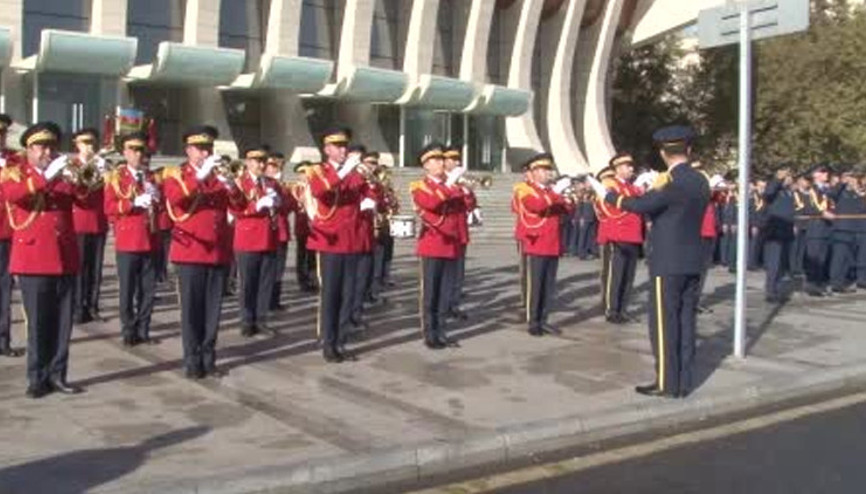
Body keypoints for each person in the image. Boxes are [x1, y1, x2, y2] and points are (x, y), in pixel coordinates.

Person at [587, 125, 710, 399]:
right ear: (689, 150)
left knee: (664, 325)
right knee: (686, 322)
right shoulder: (700, 181)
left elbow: (638, 206)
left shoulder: (672, 183)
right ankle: (684, 380)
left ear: (664, 153)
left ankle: (667, 383)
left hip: (667, 262)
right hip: (694, 260)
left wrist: (604, 193)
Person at [3, 122, 84, 397]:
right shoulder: (14, 174)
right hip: (34, 258)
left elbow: (84, 200)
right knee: (38, 322)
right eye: (40, 147)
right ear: (28, 150)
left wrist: (80, 176)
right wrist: (44, 177)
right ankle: (37, 377)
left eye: (50, 147)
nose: (47, 152)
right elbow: (13, 196)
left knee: (62, 323)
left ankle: (58, 374)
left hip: (64, 256)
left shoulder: (63, 175)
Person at [163, 125, 244, 379]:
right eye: (199, 149)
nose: (204, 153)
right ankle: (192, 360)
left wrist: (231, 185)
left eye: (208, 149)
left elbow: (241, 206)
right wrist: (199, 177)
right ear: (188, 150)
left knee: (213, 310)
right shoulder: (175, 175)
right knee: (191, 310)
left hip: (217, 253)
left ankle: (209, 358)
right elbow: (177, 199)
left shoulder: (217, 177)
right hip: (190, 253)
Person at [304, 127, 368, 362]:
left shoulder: (354, 172)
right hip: (329, 242)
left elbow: (371, 193)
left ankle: (341, 339)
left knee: (348, 294)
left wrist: (370, 185)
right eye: (337, 147)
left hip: (350, 241)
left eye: (344, 146)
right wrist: (344, 172)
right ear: (327, 149)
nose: (342, 150)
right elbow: (321, 190)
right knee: (331, 294)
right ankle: (328, 341)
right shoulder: (317, 171)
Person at [104, 133, 161, 346]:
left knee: (148, 290)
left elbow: (161, 207)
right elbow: (108, 208)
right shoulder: (116, 177)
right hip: (128, 241)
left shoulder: (151, 177)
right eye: (133, 150)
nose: (138, 154)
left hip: (150, 239)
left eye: (141, 151)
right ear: (125, 152)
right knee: (127, 290)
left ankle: (144, 329)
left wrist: (157, 199)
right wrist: (132, 203)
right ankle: (129, 329)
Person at [411, 143, 465, 349]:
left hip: (450, 243)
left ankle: (441, 331)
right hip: (432, 244)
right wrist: (450, 186)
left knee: (444, 292)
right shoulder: (419, 186)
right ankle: (429, 333)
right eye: (436, 160)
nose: (441, 163)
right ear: (425, 165)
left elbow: (464, 205)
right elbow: (431, 203)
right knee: (430, 292)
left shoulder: (450, 184)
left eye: (442, 159)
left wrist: (462, 188)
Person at [515, 153, 574, 336]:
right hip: (536, 241)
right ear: (532, 172)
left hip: (552, 242)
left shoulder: (550, 191)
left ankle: (543, 319)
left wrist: (568, 198)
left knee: (548, 285)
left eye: (548, 169)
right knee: (536, 284)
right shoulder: (524, 189)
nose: (548, 173)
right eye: (543, 170)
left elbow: (566, 208)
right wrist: (556, 194)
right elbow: (536, 206)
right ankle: (533, 321)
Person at [233, 146, 281, 337]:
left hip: (268, 238)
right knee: (248, 283)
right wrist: (256, 206)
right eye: (256, 161)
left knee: (265, 282)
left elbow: (283, 205)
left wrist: (278, 202)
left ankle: (261, 319)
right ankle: (246, 320)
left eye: (263, 161)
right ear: (248, 163)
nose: (261, 165)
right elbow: (235, 208)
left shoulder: (271, 183)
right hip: (248, 239)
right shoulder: (239, 183)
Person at [596, 153, 644, 324]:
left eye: (631, 166)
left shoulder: (631, 187)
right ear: (617, 169)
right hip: (616, 234)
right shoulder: (610, 185)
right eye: (627, 166)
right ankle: (611, 309)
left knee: (628, 275)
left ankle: (623, 309)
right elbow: (607, 208)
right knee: (615, 275)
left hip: (633, 236)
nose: (631, 169)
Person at [69, 128, 109, 324]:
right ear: (77, 145)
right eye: (85, 143)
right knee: (80, 267)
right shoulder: (72, 165)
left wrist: (105, 173)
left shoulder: (102, 165)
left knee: (96, 268)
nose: (89, 147)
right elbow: (76, 195)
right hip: (79, 223)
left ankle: (92, 306)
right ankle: (78, 308)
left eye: (92, 143)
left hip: (99, 222)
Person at [0, 114, 24, 358]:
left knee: (5, 288)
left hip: (8, 231)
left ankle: (3, 340)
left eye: (2, 134)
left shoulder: (15, 161)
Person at [443, 146, 475, 320]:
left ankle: (454, 304)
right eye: (453, 160)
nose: (457, 163)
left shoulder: (461, 181)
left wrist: (467, 191)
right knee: (446, 273)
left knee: (458, 272)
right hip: (447, 232)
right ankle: (443, 306)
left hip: (460, 231)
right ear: (445, 162)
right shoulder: (441, 181)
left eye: (457, 160)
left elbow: (469, 205)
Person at [760, 164, 796, 303]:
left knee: (782, 264)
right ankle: (770, 291)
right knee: (773, 263)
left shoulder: (789, 192)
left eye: (790, 176)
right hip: (774, 232)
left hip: (786, 230)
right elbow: (767, 194)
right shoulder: (774, 188)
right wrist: (777, 179)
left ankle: (778, 290)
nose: (789, 178)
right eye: (787, 176)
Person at [827, 166, 865, 293]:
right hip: (842, 229)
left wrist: (860, 194)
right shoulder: (840, 192)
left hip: (855, 230)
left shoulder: (857, 194)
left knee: (850, 258)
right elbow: (831, 194)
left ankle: (846, 282)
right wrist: (842, 183)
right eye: (851, 178)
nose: (853, 181)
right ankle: (835, 282)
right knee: (839, 257)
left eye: (855, 178)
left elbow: (861, 210)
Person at [265, 152, 293, 311]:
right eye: (273, 165)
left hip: (281, 231)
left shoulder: (283, 186)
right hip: (266, 233)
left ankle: (274, 301)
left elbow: (288, 207)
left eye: (279, 165)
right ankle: (266, 301)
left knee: (278, 269)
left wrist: (281, 191)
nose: (276, 168)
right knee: (268, 270)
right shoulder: (262, 184)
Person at [801, 163, 835, 296]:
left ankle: (820, 283)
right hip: (815, 227)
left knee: (823, 258)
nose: (826, 174)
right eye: (823, 172)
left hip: (825, 228)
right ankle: (812, 284)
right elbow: (810, 207)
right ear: (816, 175)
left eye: (826, 172)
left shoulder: (826, 190)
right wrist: (823, 213)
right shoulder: (812, 190)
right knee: (814, 257)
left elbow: (831, 203)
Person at [291, 161, 318, 292]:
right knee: (302, 254)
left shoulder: (314, 186)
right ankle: (302, 279)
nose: (304, 176)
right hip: (302, 226)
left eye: (306, 172)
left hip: (314, 226)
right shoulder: (296, 188)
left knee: (312, 254)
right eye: (302, 173)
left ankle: (313, 278)